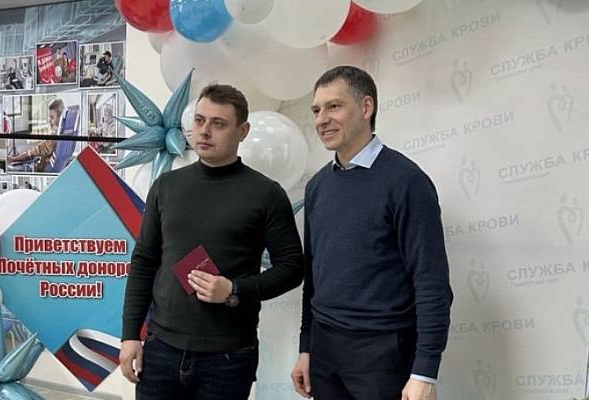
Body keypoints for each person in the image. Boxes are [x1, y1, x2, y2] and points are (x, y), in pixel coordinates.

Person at [120, 84, 304, 400]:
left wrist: (234, 289)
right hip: (161, 350)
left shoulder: (266, 194)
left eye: (218, 123)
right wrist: (129, 335)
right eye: (200, 120)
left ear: (243, 131)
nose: (204, 131)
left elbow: (292, 268)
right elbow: (144, 262)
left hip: (228, 358)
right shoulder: (166, 186)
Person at [291, 66, 453, 400]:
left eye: (334, 106)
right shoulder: (317, 186)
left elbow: (431, 282)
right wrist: (306, 347)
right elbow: (314, 277)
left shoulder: (406, 182)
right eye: (316, 110)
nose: (322, 119)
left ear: (366, 107)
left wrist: (425, 370)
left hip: (383, 354)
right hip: (324, 350)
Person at [7, 98, 64, 172]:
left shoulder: (54, 138)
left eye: (52, 117)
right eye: (49, 117)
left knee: (9, 169)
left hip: (35, 169)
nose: (49, 120)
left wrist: (14, 159)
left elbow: (32, 153)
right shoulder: (63, 134)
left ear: (60, 118)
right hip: (38, 164)